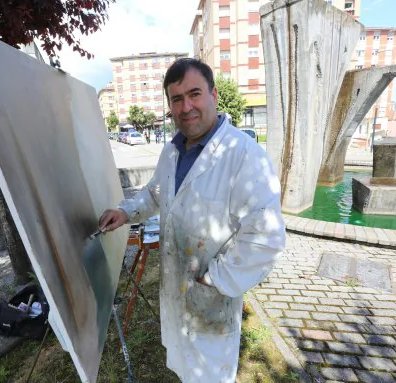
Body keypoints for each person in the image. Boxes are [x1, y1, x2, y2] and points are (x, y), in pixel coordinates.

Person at [99, 58, 286, 382]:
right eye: (176, 98)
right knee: (186, 368)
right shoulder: (172, 152)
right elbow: (156, 193)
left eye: (194, 94)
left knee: (210, 375)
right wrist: (126, 212)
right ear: (169, 106)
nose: (186, 106)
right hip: (177, 291)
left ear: (214, 95)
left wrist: (213, 281)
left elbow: (265, 238)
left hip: (212, 298)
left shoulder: (243, 155)